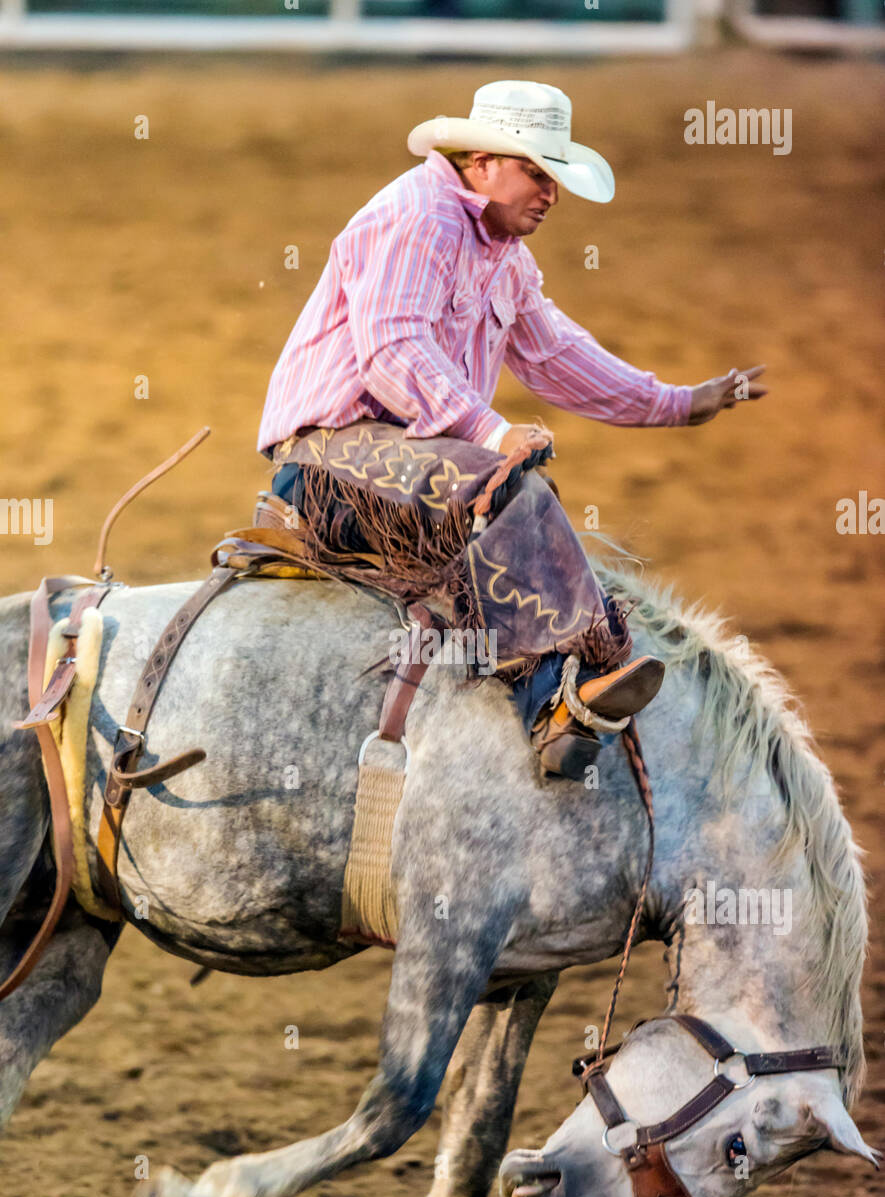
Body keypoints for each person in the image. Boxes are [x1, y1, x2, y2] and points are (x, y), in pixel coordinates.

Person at [257, 80, 766, 780]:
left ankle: (566, 680)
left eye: (554, 177)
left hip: (397, 461)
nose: (550, 193)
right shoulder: (418, 218)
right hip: (325, 461)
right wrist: (490, 432)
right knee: (506, 488)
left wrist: (676, 403)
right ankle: (554, 706)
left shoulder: (501, 253)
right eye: (537, 171)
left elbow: (555, 353)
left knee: (510, 486)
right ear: (480, 160)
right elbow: (391, 350)